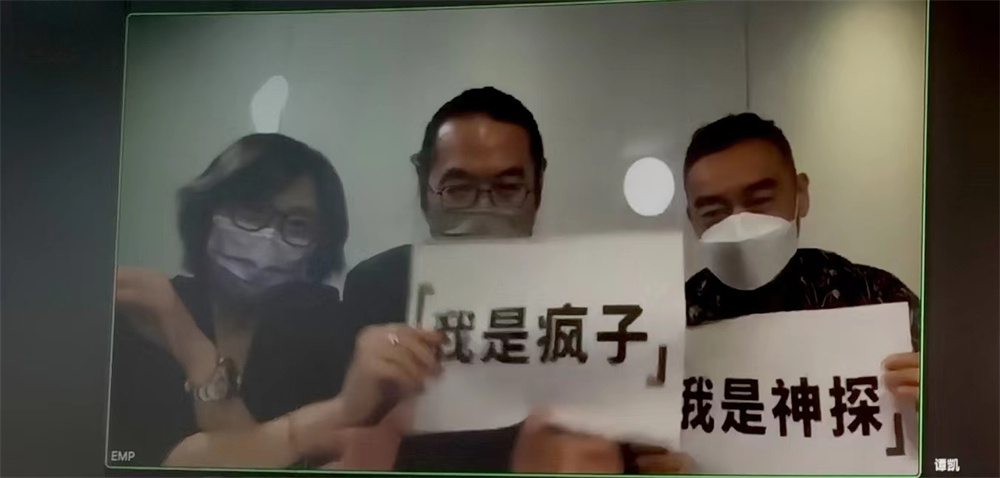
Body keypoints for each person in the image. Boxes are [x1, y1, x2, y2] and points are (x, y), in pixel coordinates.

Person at [344, 86, 686, 473]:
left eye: (507, 189)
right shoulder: (375, 288)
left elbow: (626, 452)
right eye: (458, 189)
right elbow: (337, 447)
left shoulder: (594, 302)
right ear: (425, 186)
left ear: (536, 189)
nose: (484, 210)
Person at [107, 133, 356, 467]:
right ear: (208, 212)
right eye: (252, 211)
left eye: (297, 225)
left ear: (318, 248)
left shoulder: (328, 334)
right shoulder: (139, 310)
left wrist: (192, 346)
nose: (266, 240)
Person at [682, 113, 921, 403]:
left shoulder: (875, 296)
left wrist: (936, 399)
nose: (739, 226)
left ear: (801, 194)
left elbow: (964, 415)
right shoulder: (676, 321)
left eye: (760, 201)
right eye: (713, 214)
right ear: (693, 220)